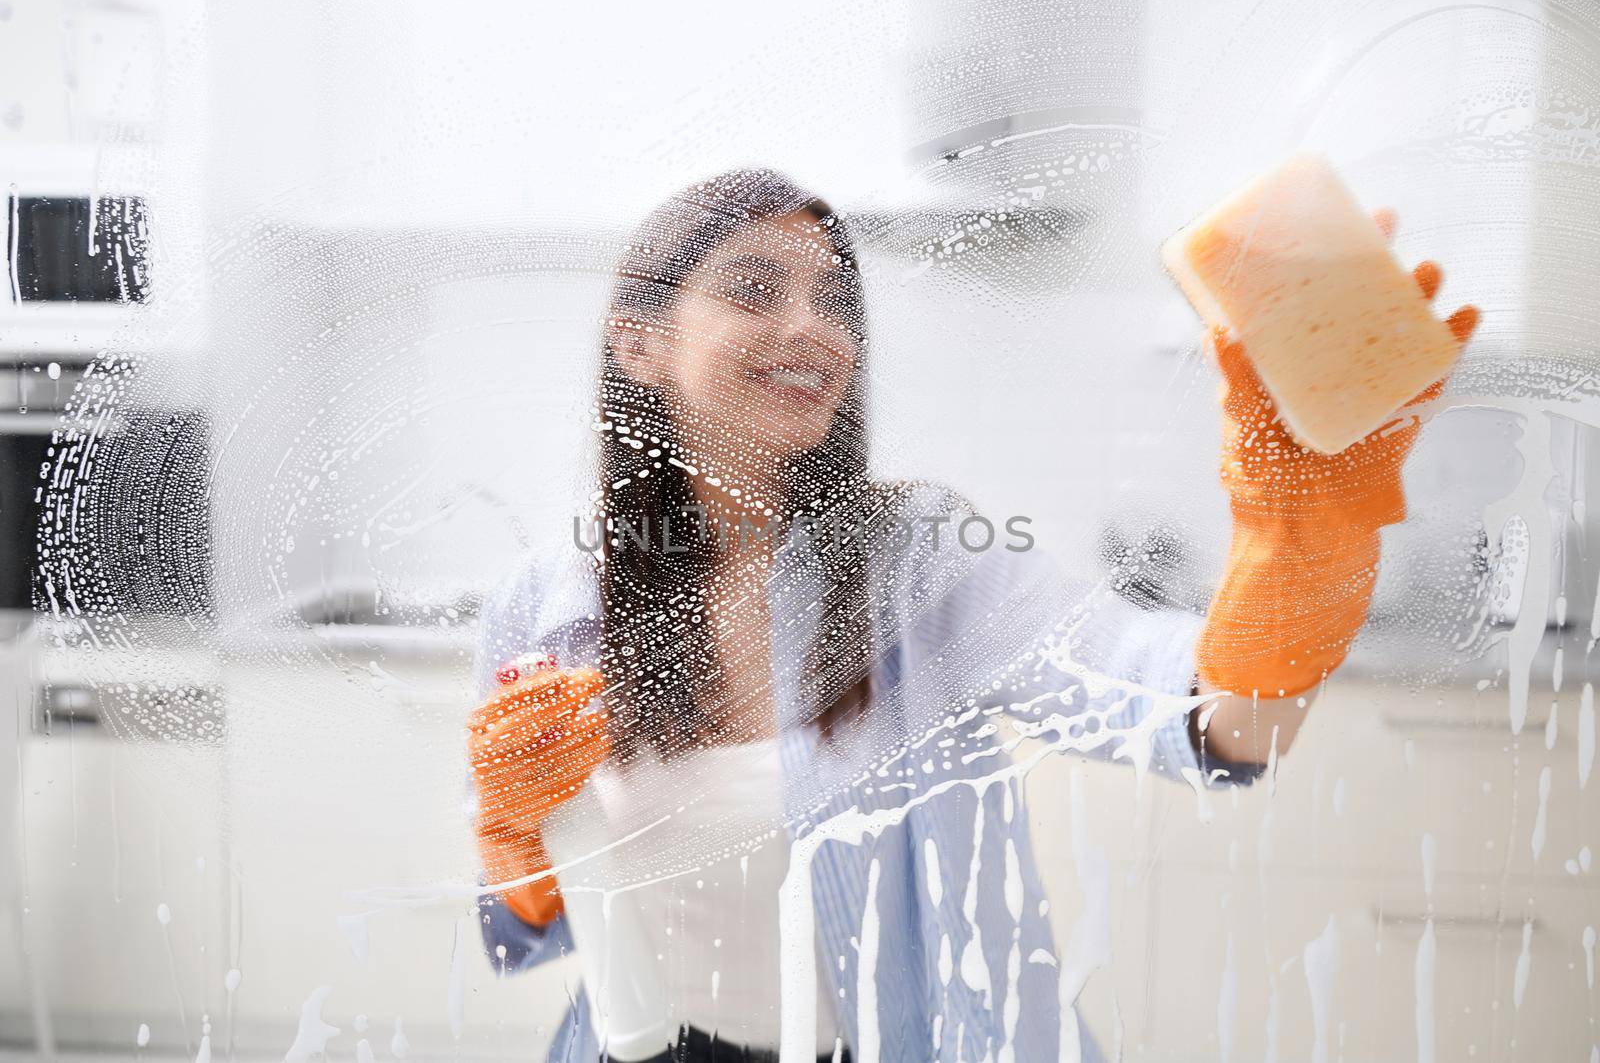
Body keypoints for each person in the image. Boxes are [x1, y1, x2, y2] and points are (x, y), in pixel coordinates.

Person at [465, 169, 1478, 1063]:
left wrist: (1296, 546)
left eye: (835, 298)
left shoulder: (921, 562)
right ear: (636, 342)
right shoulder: (544, 604)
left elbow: (1211, 716)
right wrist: (515, 842)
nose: (813, 326)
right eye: (753, 289)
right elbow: (528, 924)